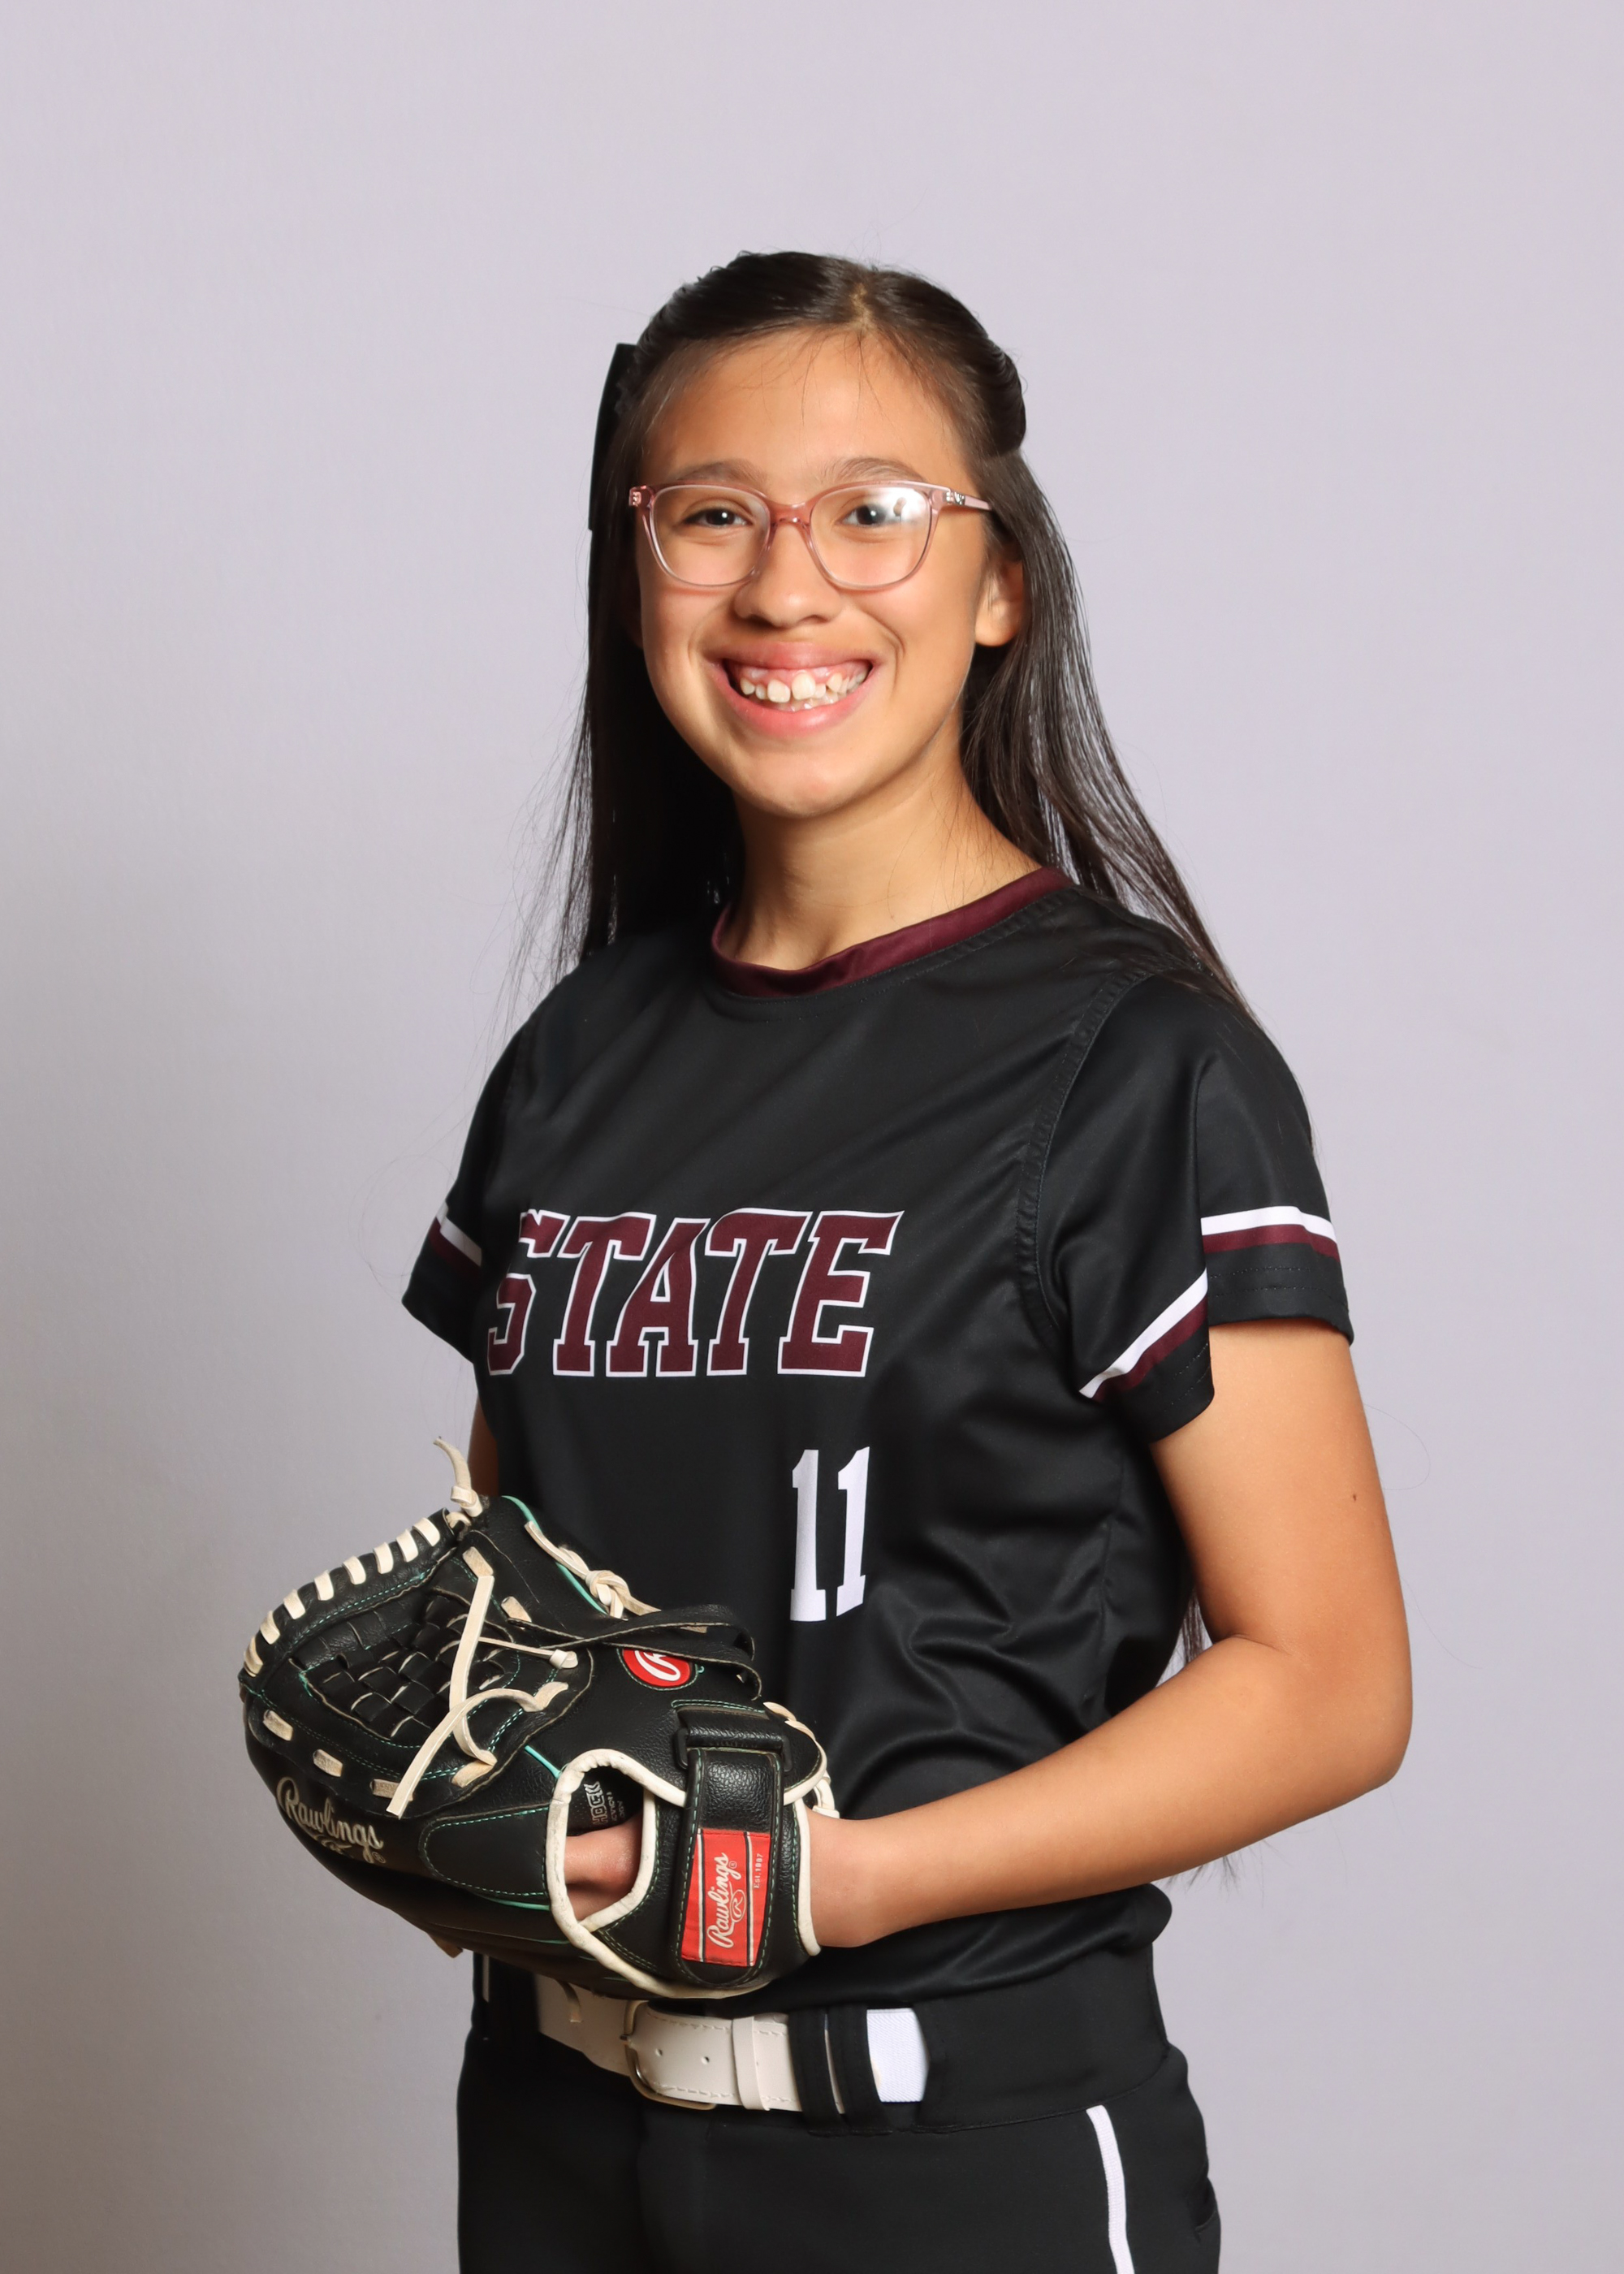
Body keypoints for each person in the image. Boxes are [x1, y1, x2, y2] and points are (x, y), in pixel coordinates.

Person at [401, 252, 1410, 2274]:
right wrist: (452, 1801)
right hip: (551, 2122)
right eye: (712, 514)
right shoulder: (577, 1062)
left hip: (953, 2149)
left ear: (998, 578)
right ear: (637, 564)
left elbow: (1327, 1684)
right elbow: (521, 1577)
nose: (787, 586)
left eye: (872, 510)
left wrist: (833, 1879)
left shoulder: (1136, 1062)